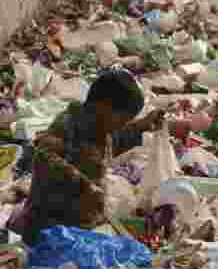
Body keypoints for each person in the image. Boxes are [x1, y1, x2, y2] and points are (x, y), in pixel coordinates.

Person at [12, 66, 165, 244]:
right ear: (103, 106)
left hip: (80, 228)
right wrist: (84, 186)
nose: (121, 125)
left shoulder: (100, 129)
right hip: (50, 229)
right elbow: (44, 157)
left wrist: (141, 126)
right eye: (121, 119)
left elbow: (113, 141)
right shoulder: (68, 125)